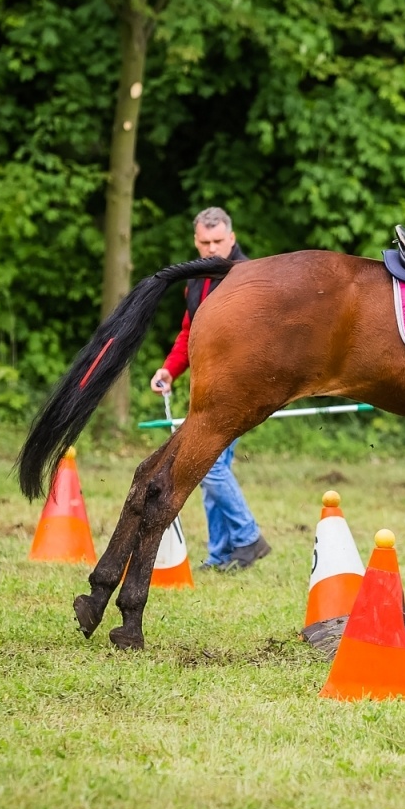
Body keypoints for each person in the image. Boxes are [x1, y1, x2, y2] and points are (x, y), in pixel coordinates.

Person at [149, 207, 271, 571]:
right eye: (205, 242)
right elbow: (190, 332)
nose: (212, 249)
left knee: (209, 466)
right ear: (196, 241)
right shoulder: (197, 278)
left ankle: (249, 538)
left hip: (237, 390)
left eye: (219, 241)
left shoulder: (249, 279)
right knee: (213, 467)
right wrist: (169, 371)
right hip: (206, 388)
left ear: (232, 239)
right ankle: (223, 554)